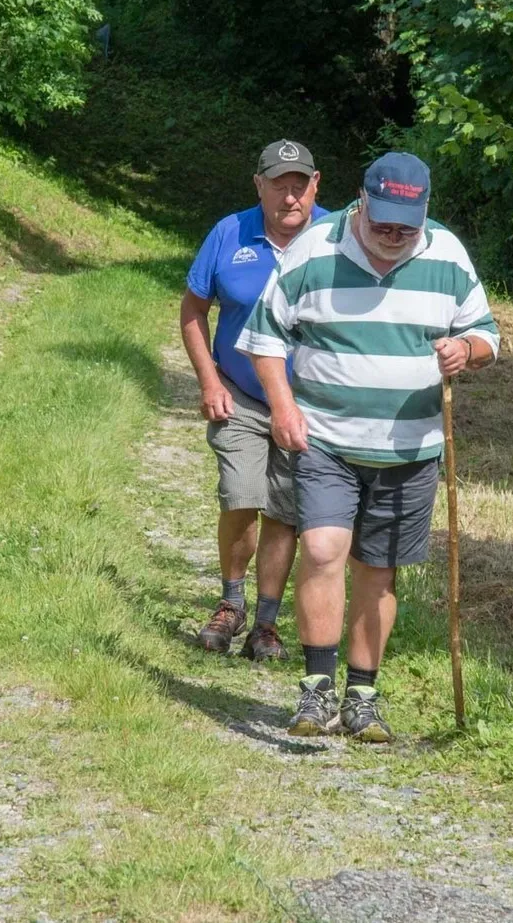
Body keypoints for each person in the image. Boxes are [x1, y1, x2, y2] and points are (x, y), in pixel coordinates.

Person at [237, 151, 498, 741]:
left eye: (407, 228)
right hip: (326, 438)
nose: (393, 237)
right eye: (383, 224)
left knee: (378, 572)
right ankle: (316, 691)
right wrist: (283, 407)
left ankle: (362, 696)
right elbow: (265, 336)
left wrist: (467, 351)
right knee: (323, 549)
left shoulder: (447, 253)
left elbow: (486, 333)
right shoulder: (315, 249)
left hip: (410, 449)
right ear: (361, 201)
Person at [180, 140, 330, 659]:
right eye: (279, 186)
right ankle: (231, 602)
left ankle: (266, 623)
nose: (290, 197)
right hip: (240, 395)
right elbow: (193, 311)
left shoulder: (338, 238)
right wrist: (209, 382)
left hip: (306, 402)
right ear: (258, 185)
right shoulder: (230, 232)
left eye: (299, 186)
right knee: (241, 495)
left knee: (285, 509)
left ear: (315, 185)